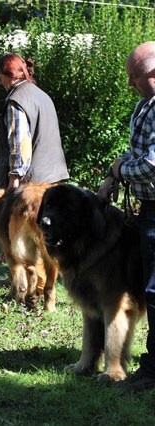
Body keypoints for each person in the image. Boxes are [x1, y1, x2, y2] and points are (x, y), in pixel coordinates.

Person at [98, 41, 155, 391]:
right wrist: (113, 172)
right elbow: (136, 153)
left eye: (134, 77)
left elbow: (150, 165)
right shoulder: (145, 105)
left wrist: (119, 171)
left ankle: (153, 370)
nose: (130, 84)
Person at [0, 53, 69, 190]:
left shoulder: (16, 101)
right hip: (52, 179)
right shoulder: (41, 95)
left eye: (0, 78)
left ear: (10, 74)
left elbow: (19, 143)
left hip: (30, 186)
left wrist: (14, 179)